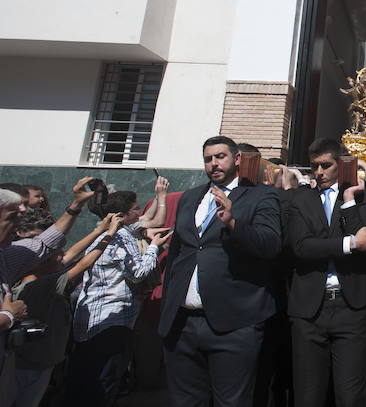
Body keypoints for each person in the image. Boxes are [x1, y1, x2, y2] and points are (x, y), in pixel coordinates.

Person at [158, 135, 282, 406]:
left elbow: (270, 244)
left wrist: (233, 223)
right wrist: (168, 307)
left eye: (220, 157)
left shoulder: (261, 195)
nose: (213, 163)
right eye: (208, 159)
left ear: (237, 159)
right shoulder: (190, 198)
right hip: (182, 324)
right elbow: (178, 253)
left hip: (234, 324)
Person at [283, 138, 366, 407]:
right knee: (308, 394)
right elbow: (301, 247)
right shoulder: (301, 200)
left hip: (351, 307)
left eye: (326, 165)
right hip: (309, 308)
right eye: (314, 166)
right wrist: (349, 244)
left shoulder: (361, 197)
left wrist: (348, 202)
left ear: (341, 164)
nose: (319, 172)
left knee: (351, 395)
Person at [64, 190, 170, 406]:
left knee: (85, 378)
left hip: (92, 319)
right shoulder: (121, 238)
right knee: (104, 381)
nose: (140, 213)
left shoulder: (105, 234)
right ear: (123, 215)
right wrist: (153, 248)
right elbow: (138, 273)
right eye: (136, 209)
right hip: (111, 320)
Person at [12, 211, 124, 407]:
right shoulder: (40, 285)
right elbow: (84, 263)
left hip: (38, 362)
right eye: (56, 254)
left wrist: (100, 230)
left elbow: (72, 254)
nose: (62, 257)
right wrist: (109, 234)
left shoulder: (37, 276)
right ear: (42, 261)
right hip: (32, 366)